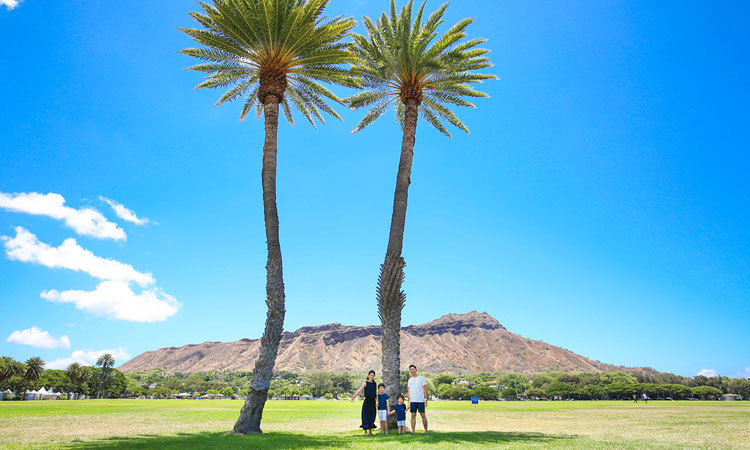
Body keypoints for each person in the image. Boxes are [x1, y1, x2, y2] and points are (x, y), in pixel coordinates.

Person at [351, 370, 377, 435]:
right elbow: (360, 389)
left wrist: (377, 401)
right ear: (368, 375)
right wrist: (354, 396)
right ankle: (365, 432)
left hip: (373, 401)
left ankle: (370, 431)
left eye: (373, 375)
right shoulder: (365, 383)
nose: (372, 376)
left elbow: (376, 393)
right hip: (367, 401)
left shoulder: (374, 384)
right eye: (371, 375)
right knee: (366, 415)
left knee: (372, 415)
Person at [406, 364, 428, 435]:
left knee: (423, 415)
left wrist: (425, 399)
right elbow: (409, 391)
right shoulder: (410, 380)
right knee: (413, 415)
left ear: (416, 370)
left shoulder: (421, 378)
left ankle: (426, 431)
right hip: (413, 401)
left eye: (413, 369)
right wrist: (408, 402)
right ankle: (413, 431)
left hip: (421, 400)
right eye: (410, 370)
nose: (412, 370)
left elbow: (425, 389)